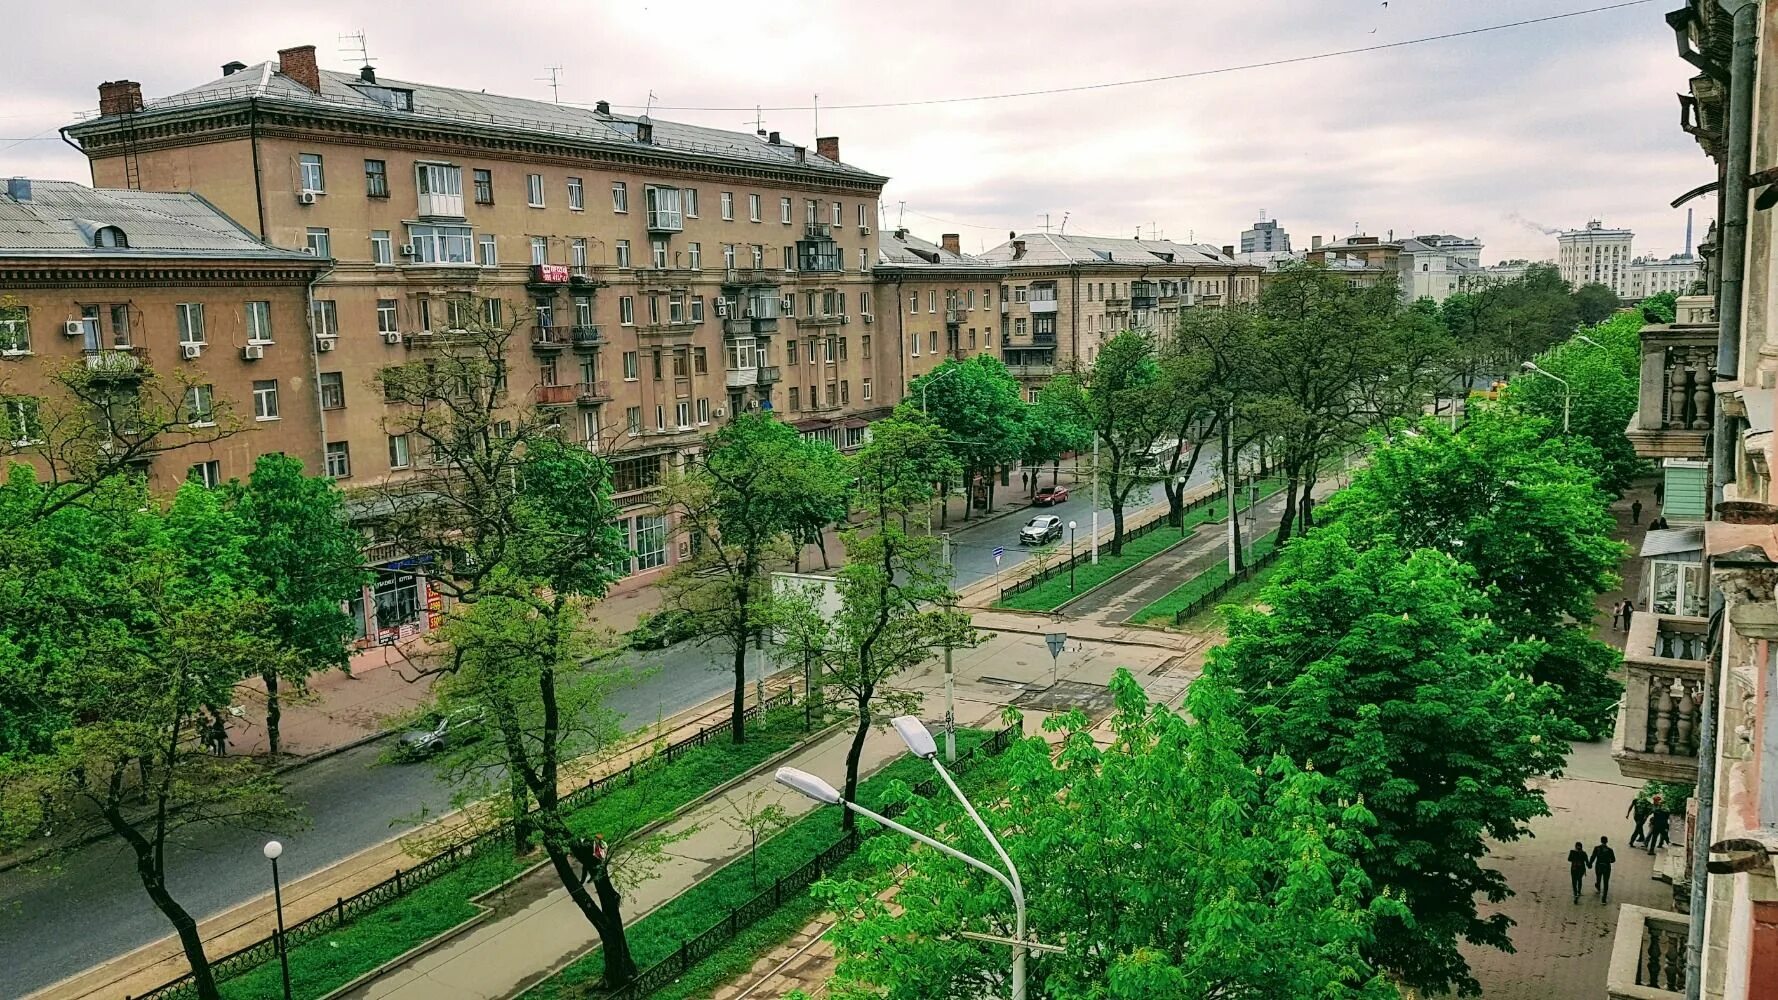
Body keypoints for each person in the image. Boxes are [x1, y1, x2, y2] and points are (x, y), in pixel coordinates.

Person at [1590, 836, 1617, 902]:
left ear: (1601, 841)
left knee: (1598, 878)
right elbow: (1613, 860)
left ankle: (1598, 886)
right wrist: (1608, 861)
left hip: (1598, 866)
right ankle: (1604, 898)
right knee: (1606, 882)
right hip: (1606, 867)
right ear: (1607, 841)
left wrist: (1590, 863)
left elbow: (1593, 857)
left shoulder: (1597, 848)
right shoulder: (1610, 850)